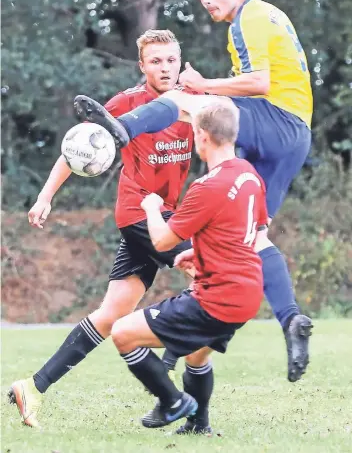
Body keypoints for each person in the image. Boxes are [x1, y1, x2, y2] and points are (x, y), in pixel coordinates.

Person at [74, 0, 313, 384]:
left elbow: (259, 83)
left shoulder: (248, 17)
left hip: (277, 117)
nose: (206, 0)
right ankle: (291, 317)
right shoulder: (272, 16)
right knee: (255, 235)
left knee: (183, 101)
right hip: (297, 137)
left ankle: (121, 129)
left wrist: (206, 87)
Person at [8, 30, 197, 428]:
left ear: (180, 61)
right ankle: (174, 379)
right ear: (142, 65)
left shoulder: (192, 100)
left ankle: (33, 387)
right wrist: (45, 197)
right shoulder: (126, 105)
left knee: (110, 316)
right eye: (156, 61)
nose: (164, 68)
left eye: (171, 60)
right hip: (140, 216)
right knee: (211, 275)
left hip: (166, 217)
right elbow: (76, 148)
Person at [110, 99, 267, 431]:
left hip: (217, 298)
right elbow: (248, 231)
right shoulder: (249, 175)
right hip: (248, 294)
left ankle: (173, 402)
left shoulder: (208, 186)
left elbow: (163, 241)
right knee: (196, 356)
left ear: (203, 136)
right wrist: (199, 252)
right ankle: (199, 425)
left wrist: (151, 207)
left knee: (123, 334)